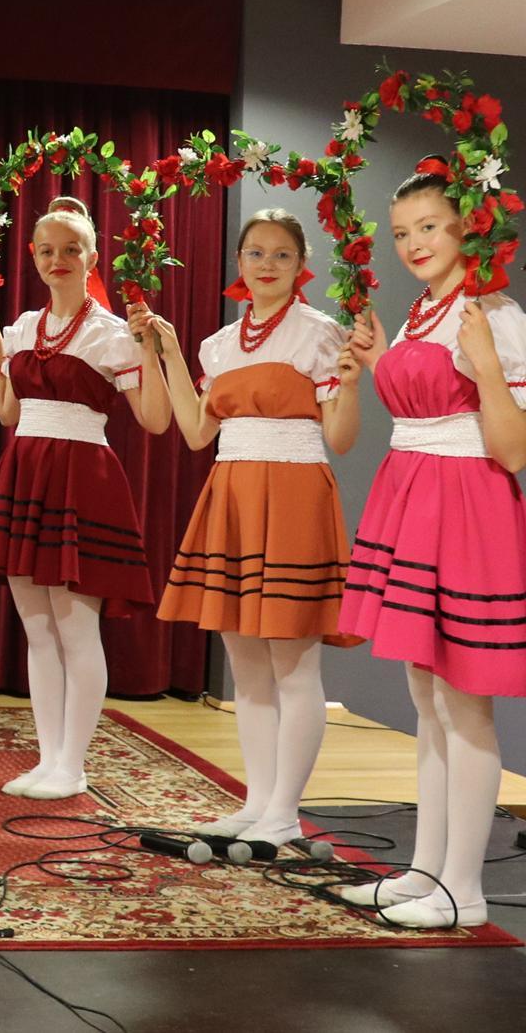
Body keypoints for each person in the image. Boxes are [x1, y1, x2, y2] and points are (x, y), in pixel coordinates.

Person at [331, 160, 526, 929]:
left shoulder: (495, 315)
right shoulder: (421, 311)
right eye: (403, 231)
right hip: (412, 492)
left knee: (462, 699)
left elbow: (512, 448)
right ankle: (426, 871)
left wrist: (487, 363)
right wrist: (381, 360)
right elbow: (424, 404)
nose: (414, 243)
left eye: (429, 227)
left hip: (466, 504)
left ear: (467, 228)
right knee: (426, 696)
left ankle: (463, 889)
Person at [134, 209, 360, 846]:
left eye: (282, 254)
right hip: (232, 491)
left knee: (293, 662)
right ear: (239, 262)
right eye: (256, 252)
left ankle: (284, 812)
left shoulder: (320, 334)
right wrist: (167, 351)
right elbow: (195, 431)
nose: (267, 264)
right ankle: (257, 803)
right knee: (246, 664)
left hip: (293, 496)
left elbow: (341, 438)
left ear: (301, 264)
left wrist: (352, 384)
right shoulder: (219, 344)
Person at [0, 207, 170, 800]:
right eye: (47, 250)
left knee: (76, 630)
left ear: (92, 258)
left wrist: (150, 351)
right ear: (32, 256)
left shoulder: (112, 333)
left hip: (83, 480)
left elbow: (155, 420)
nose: (59, 260)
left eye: (72, 249)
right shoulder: (24, 328)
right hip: (26, 473)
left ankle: (73, 766)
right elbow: (7, 411)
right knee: (38, 629)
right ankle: (48, 760)